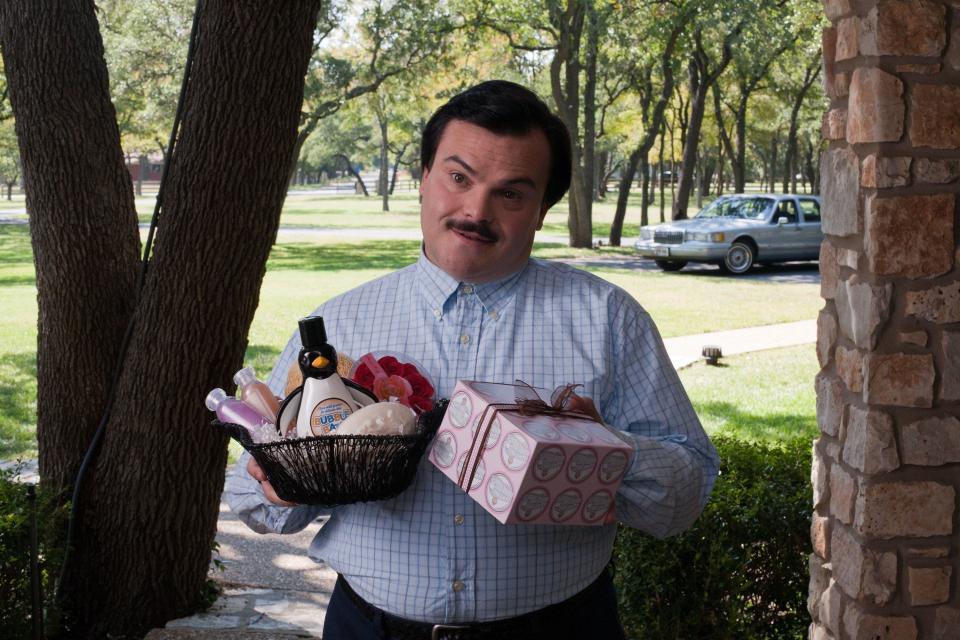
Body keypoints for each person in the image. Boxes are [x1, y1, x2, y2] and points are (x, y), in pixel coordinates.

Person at [225, 80, 719, 640]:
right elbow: (253, 502)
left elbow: (684, 497)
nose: (476, 210)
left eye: (511, 193)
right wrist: (290, 479)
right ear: (422, 182)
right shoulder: (335, 327)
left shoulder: (608, 318)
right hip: (370, 628)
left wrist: (602, 451)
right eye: (458, 178)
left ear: (541, 211)